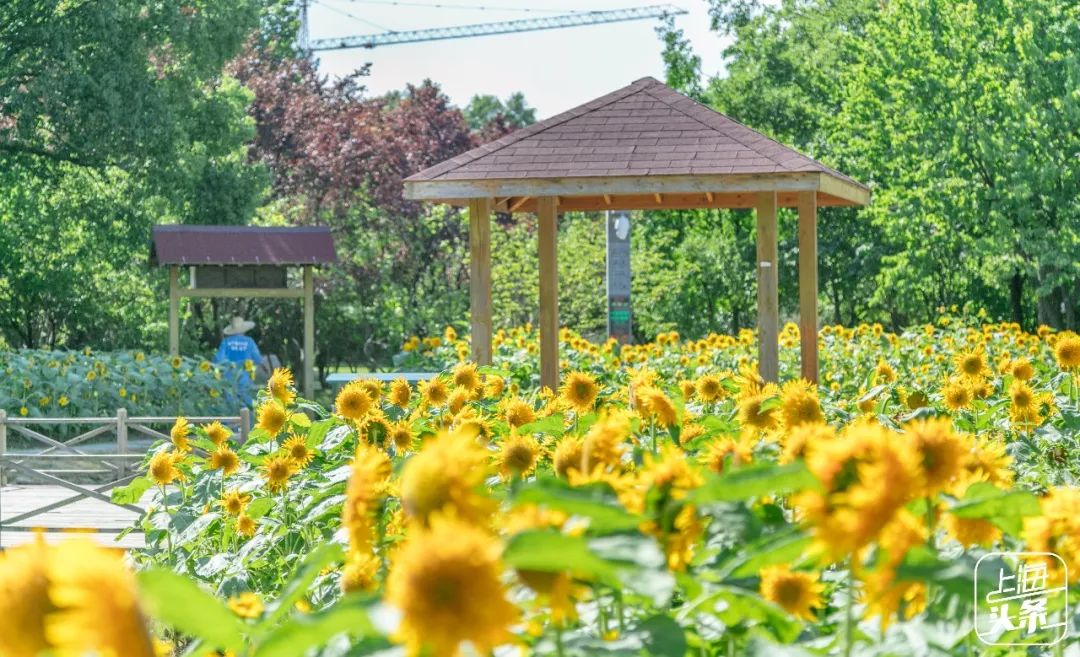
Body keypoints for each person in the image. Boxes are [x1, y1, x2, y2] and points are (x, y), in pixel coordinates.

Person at [214, 316, 261, 405]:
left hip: (229, 378)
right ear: (244, 329)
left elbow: (218, 360)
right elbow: (258, 359)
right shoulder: (250, 342)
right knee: (246, 407)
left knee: (230, 408)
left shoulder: (226, 342)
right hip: (245, 378)